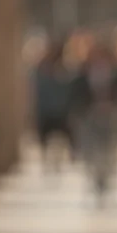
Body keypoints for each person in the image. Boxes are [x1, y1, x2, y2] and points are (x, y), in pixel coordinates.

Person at [73, 41, 117, 207]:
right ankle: (96, 181)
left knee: (108, 151)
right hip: (90, 117)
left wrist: (111, 105)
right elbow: (78, 94)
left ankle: (105, 181)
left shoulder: (116, 74)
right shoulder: (83, 73)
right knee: (93, 152)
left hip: (109, 117)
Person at [33, 40, 76, 173]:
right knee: (45, 138)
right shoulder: (42, 70)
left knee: (67, 135)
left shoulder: (65, 70)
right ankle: (47, 162)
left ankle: (69, 158)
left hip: (60, 111)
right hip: (47, 111)